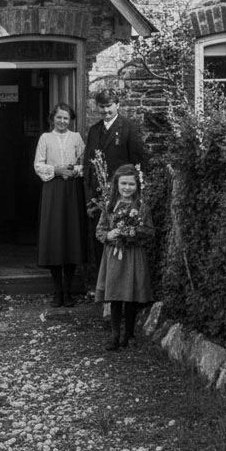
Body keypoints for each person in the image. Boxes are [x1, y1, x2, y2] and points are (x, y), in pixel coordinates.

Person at [83, 88, 145, 268]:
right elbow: (88, 166)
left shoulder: (129, 128)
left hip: (122, 195)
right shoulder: (94, 130)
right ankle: (101, 286)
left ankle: (120, 286)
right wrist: (89, 200)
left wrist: (135, 196)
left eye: (109, 106)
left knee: (120, 239)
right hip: (98, 198)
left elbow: (138, 164)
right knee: (99, 238)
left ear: (117, 105)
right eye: (101, 107)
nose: (105, 111)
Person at [34, 102, 88, 307]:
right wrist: (57, 171)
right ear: (53, 118)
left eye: (66, 118)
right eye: (59, 117)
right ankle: (57, 291)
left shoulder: (76, 138)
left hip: (72, 190)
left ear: (70, 120)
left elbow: (86, 162)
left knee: (70, 236)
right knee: (54, 237)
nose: (63, 121)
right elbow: (38, 164)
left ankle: (69, 291)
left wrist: (74, 170)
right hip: (53, 190)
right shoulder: (45, 138)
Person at [95, 163, 153, 351]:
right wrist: (108, 235)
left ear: (137, 186)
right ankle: (114, 334)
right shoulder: (110, 206)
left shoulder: (141, 207)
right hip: (114, 255)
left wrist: (133, 232)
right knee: (116, 294)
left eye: (131, 184)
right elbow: (100, 229)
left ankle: (129, 333)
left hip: (133, 255)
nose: (127, 188)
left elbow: (149, 231)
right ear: (116, 185)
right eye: (123, 184)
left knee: (130, 294)